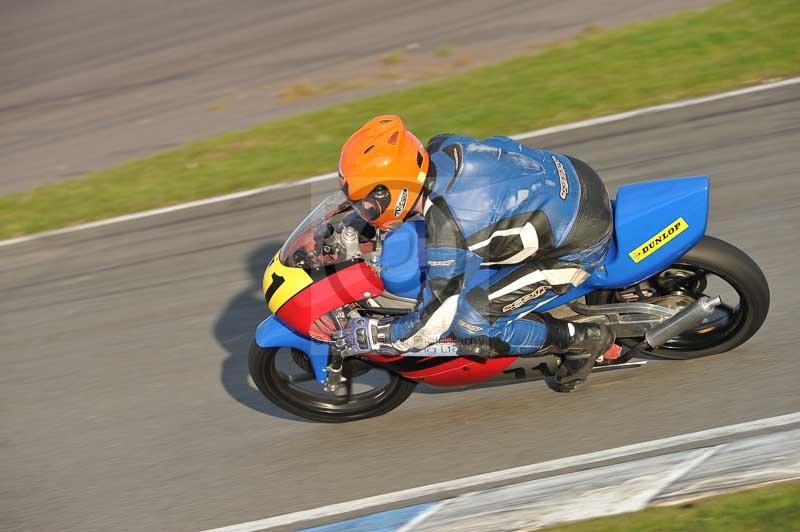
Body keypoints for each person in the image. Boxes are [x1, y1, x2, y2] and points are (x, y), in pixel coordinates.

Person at [335, 115, 615, 392]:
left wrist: (380, 335)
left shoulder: (450, 224)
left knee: (471, 324)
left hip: (579, 242)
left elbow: (433, 322)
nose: (366, 210)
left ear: (393, 190)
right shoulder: (442, 146)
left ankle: (581, 340)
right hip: (574, 175)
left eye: (368, 202)